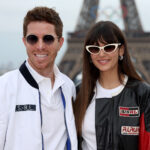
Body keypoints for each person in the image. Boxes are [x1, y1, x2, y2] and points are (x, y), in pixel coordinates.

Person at [0, 6, 77, 150]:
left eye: (48, 39)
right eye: (32, 39)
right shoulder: (4, 87)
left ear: (60, 43)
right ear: (24, 42)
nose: (40, 46)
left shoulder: (68, 87)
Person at [74, 21, 150, 150]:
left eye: (109, 47)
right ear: (89, 55)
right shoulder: (79, 93)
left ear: (121, 50)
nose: (102, 54)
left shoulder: (142, 93)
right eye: (94, 48)